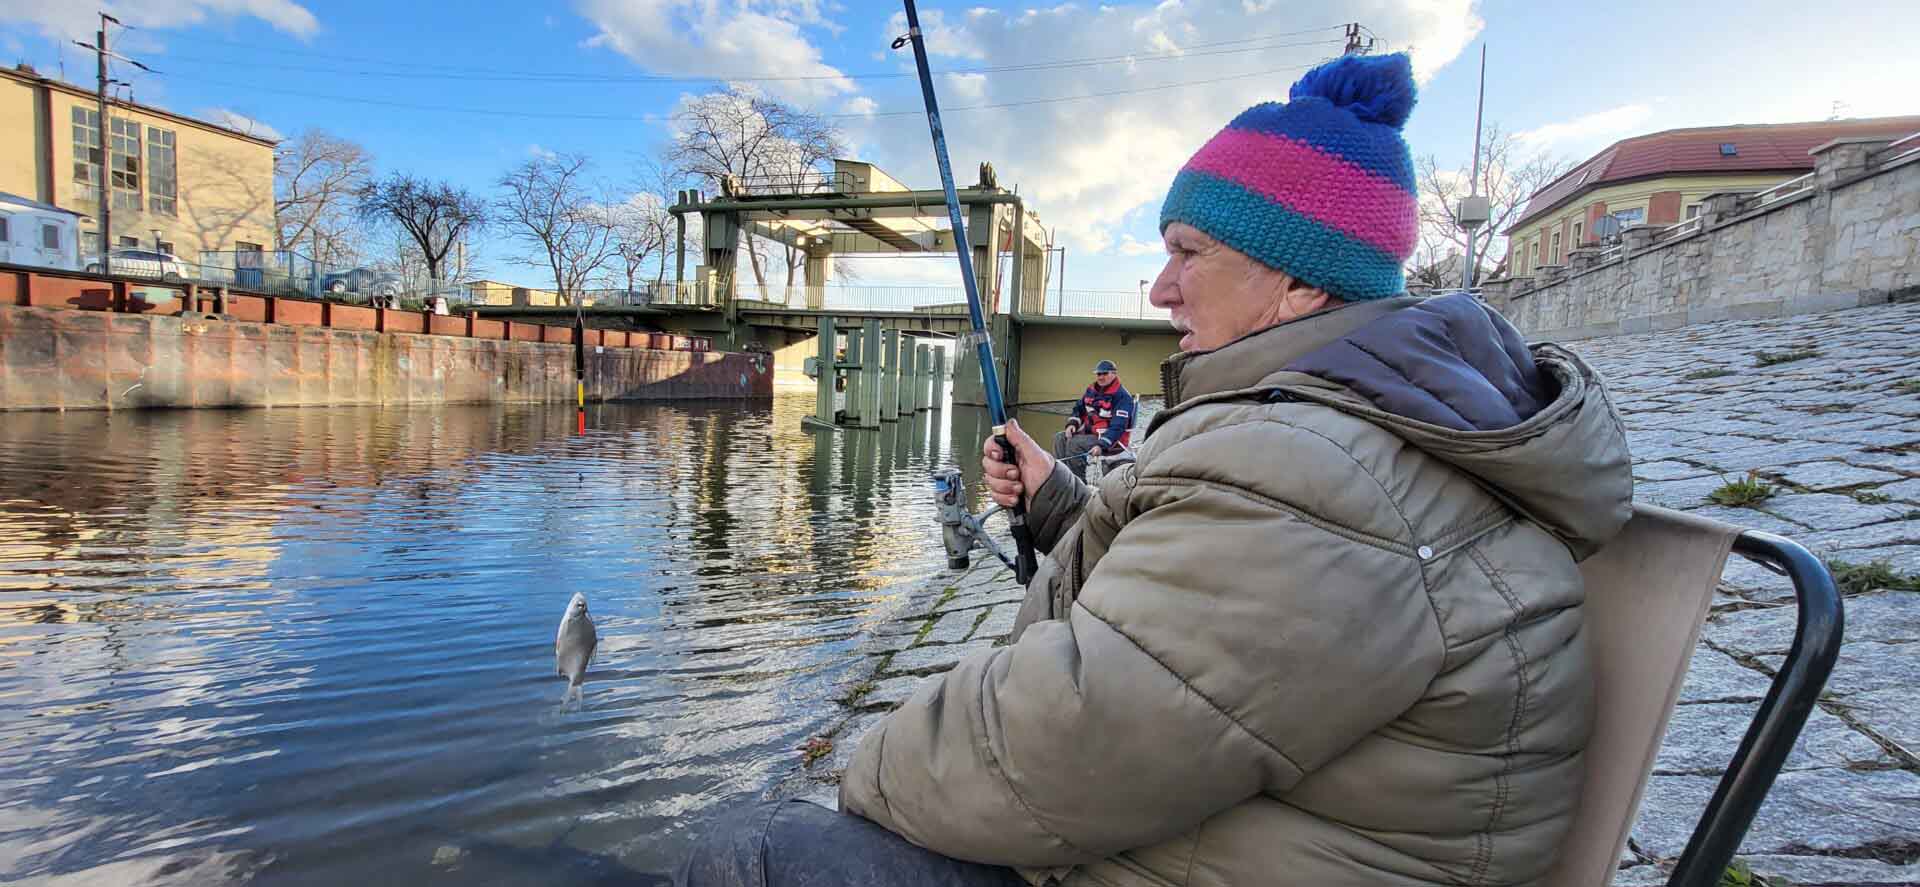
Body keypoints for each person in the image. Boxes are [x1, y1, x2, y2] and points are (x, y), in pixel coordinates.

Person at [677, 51, 1633, 887]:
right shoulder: (1361, 432)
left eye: (1188, 252)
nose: (1160, 287)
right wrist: (1059, 501)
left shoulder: (1314, 469)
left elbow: (1061, 746)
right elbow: (1204, 607)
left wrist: (861, 772)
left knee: (744, 848)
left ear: (1297, 278)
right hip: (1267, 838)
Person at [1052, 360, 1133, 480]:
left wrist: (1102, 445)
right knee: (1059, 438)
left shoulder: (1122, 397)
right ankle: (1064, 478)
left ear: (1114, 374)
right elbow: (1079, 408)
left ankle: (1079, 483)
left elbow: (1118, 427)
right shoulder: (1091, 390)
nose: (1100, 377)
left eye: (1104, 374)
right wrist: (1072, 424)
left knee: (1075, 444)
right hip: (1089, 432)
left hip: (1109, 438)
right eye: (1098, 374)